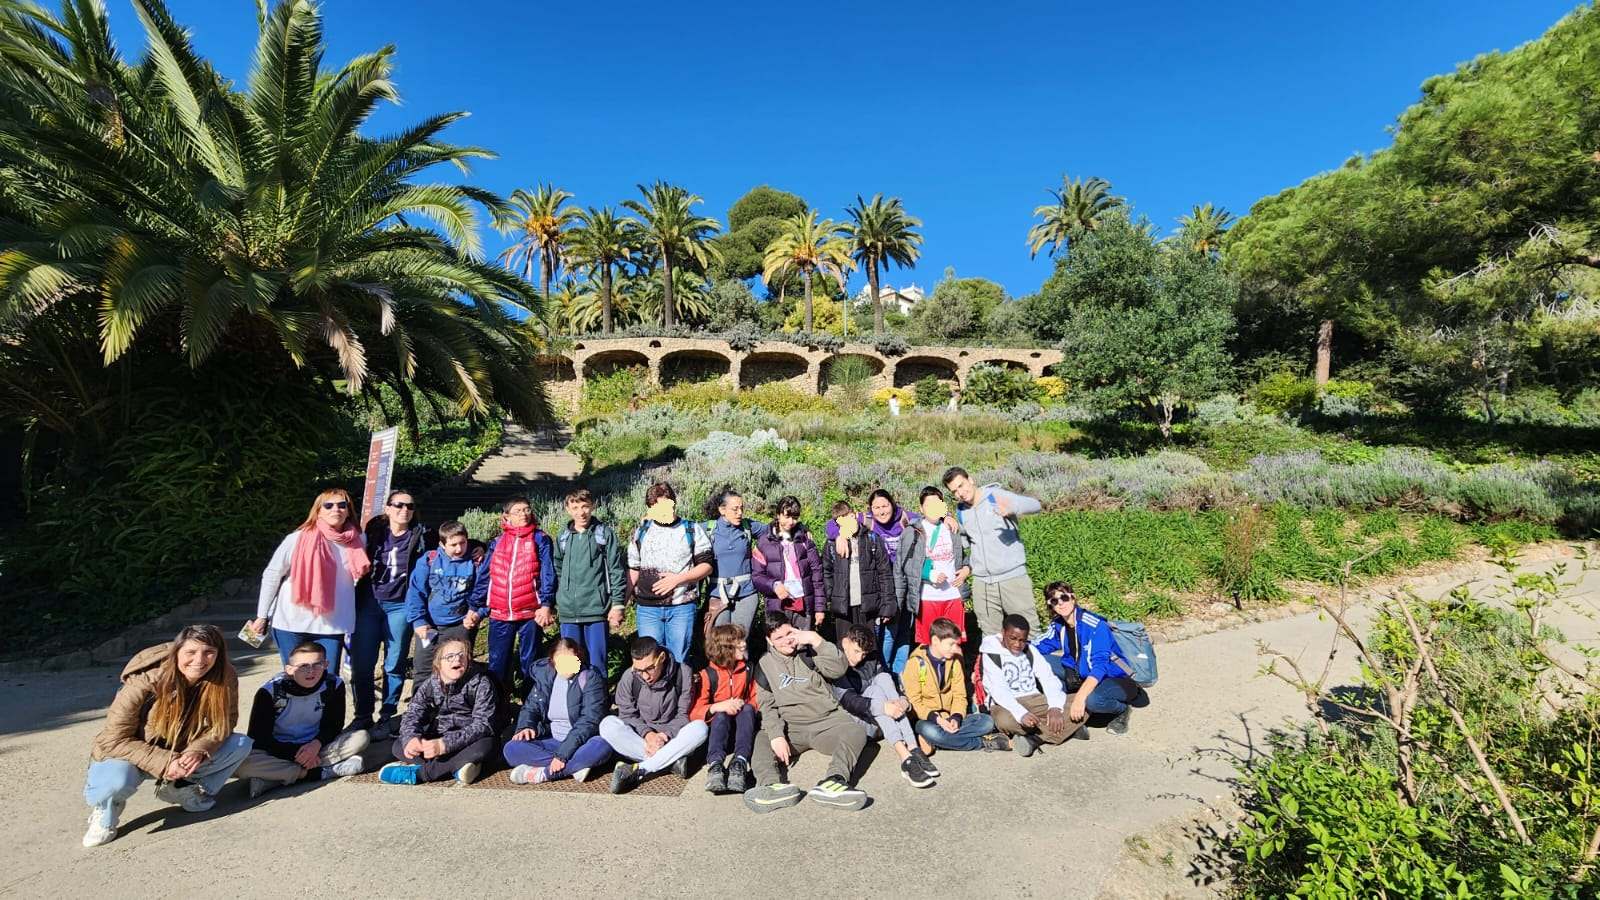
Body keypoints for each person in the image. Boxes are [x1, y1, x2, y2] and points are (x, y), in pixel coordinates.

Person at [82, 625, 253, 847]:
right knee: (116, 781)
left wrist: (197, 750)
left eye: (209, 652)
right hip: (131, 752)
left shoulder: (225, 675)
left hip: (179, 748)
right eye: (191, 652)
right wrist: (165, 761)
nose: (199, 660)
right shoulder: (145, 679)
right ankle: (106, 810)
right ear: (177, 652)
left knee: (239, 744)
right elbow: (113, 739)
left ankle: (179, 788)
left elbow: (224, 722)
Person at [742, 614, 870, 814]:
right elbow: (767, 706)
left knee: (856, 732)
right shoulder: (765, 665)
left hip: (826, 722)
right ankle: (770, 786)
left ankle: (834, 782)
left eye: (789, 633)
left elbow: (838, 669)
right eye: (779, 638)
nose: (787, 641)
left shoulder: (810, 651)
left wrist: (815, 639)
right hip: (792, 728)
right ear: (769, 641)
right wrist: (776, 735)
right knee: (762, 738)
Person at [251, 488, 371, 669]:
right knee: (295, 676)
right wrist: (262, 616)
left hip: (333, 625)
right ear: (318, 511)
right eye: (328, 505)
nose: (336, 509)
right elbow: (272, 574)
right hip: (292, 622)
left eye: (342, 505)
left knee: (327, 677)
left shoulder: (359, 539)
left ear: (348, 510)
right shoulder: (297, 538)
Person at [350, 489, 435, 738]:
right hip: (369, 603)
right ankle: (363, 715)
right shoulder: (373, 532)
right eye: (398, 505)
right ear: (387, 508)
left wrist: (477, 548)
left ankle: (387, 714)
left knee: (394, 663)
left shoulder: (422, 535)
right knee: (362, 663)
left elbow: (449, 541)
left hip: (400, 605)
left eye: (409, 506)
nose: (404, 510)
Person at [235, 642, 371, 797]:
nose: (311, 671)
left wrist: (315, 745)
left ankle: (275, 778)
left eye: (317, 665)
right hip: (277, 749)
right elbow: (259, 738)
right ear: (289, 669)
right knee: (241, 764)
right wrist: (296, 755)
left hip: (317, 746)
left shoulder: (334, 685)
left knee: (361, 738)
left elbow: (334, 725)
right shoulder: (269, 692)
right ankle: (319, 772)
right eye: (303, 666)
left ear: (326, 665)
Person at [379, 634, 502, 785]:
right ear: (439, 664)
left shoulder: (481, 682)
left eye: (462, 655)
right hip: (438, 736)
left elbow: (483, 725)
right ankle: (456, 767)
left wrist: (445, 745)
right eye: (450, 657)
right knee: (399, 745)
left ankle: (421, 773)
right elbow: (412, 713)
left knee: (486, 746)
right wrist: (411, 738)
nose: (457, 660)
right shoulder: (431, 684)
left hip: (468, 740)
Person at [825, 489, 923, 671]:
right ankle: (882, 669)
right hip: (881, 585)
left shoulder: (906, 517)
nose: (881, 511)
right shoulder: (866, 520)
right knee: (888, 632)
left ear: (892, 504)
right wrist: (839, 535)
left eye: (885, 506)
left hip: (905, 581)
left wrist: (947, 516)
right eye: (876, 507)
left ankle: (898, 673)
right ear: (870, 509)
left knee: (904, 630)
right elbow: (832, 524)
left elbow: (930, 515)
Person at [943, 466, 1042, 640]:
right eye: (954, 491)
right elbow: (967, 543)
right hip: (982, 583)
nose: (960, 493)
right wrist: (948, 521)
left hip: (1012, 577)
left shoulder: (995, 496)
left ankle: (1036, 658)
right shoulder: (961, 511)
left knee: (1028, 631)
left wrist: (1014, 507)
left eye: (961, 485)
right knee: (990, 637)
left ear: (970, 480)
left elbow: (1036, 505)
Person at [599, 636, 707, 794]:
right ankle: (670, 762)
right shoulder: (629, 676)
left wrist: (664, 735)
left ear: (661, 658)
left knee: (700, 728)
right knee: (607, 724)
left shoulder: (683, 673)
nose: (645, 676)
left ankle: (642, 769)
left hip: (671, 738)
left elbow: (683, 715)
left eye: (649, 668)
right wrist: (648, 734)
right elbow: (627, 715)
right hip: (641, 740)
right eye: (639, 670)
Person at [471, 497, 556, 691]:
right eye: (518, 511)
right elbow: (485, 576)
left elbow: (548, 573)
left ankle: (530, 704)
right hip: (500, 613)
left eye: (527, 510)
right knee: (497, 663)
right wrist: (474, 606)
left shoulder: (540, 539)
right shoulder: (497, 542)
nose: (523, 514)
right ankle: (497, 704)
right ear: (506, 516)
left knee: (531, 663)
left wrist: (546, 604)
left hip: (530, 613)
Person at [1036, 582, 1143, 735]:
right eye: (1054, 601)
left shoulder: (1095, 625)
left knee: (1092, 700)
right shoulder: (1058, 625)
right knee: (1039, 661)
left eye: (1064, 598)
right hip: (1081, 674)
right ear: (1050, 605)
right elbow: (1039, 646)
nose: (1060, 603)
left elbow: (1100, 667)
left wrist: (1080, 698)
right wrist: (1010, 648)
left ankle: (1122, 710)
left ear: (1073, 598)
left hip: (1114, 678)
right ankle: (1066, 707)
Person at [834, 625, 934, 788]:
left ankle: (913, 747)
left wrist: (903, 700)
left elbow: (889, 684)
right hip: (857, 721)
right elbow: (850, 702)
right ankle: (905, 757)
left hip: (884, 719)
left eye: (863, 654)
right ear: (846, 642)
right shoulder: (835, 661)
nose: (859, 658)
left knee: (884, 678)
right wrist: (882, 707)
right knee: (875, 691)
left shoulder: (870, 656)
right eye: (856, 651)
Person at [504, 637, 613, 785]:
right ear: (553, 661)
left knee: (602, 745)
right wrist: (526, 726)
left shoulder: (591, 678)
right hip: (552, 739)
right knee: (511, 748)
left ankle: (544, 773)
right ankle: (575, 766)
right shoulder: (545, 677)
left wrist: (563, 755)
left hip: (582, 742)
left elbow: (589, 720)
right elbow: (531, 707)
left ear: (578, 657)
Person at [626, 482, 713, 664]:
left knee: (679, 658)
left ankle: (679, 683)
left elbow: (706, 566)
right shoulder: (641, 531)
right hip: (647, 609)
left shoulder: (691, 529)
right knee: (651, 659)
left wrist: (678, 579)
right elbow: (634, 568)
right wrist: (622, 603)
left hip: (682, 607)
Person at [904, 617, 1008, 756]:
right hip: (927, 719)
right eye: (951, 644)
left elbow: (959, 695)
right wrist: (938, 719)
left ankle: (937, 742)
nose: (955, 649)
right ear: (935, 641)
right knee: (930, 731)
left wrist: (956, 717)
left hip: (949, 716)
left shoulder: (955, 661)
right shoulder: (915, 663)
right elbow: (914, 701)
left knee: (987, 722)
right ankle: (982, 742)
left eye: (956, 644)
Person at [979, 614, 1077, 756]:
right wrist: (1021, 714)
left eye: (1022, 640)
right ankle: (1066, 728)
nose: (1017, 644)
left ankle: (1035, 737)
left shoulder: (1030, 650)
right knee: (1004, 721)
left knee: (1083, 702)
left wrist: (1055, 707)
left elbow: (1048, 678)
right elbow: (998, 690)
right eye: (1013, 638)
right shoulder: (991, 653)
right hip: (1005, 704)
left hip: (1034, 699)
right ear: (1003, 633)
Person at [553, 488, 627, 674]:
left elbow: (616, 570)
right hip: (569, 612)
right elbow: (558, 570)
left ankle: (597, 693)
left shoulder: (604, 534)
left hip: (596, 610)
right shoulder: (562, 537)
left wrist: (617, 604)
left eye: (585, 506)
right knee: (569, 664)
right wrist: (561, 598)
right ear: (568, 509)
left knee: (597, 663)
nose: (581, 512)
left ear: (593, 506)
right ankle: (573, 694)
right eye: (575, 507)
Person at [405, 520, 485, 678]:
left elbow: (484, 593)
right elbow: (416, 592)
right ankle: (422, 696)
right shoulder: (429, 560)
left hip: (460, 625)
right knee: (423, 669)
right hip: (430, 626)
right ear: (442, 544)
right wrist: (418, 621)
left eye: (462, 543)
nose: (459, 549)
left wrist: (478, 613)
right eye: (453, 545)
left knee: (458, 671)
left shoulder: (476, 562)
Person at [688, 623, 759, 795]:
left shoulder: (747, 669)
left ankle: (740, 762)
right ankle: (715, 765)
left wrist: (744, 704)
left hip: (743, 727)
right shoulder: (707, 675)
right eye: (738, 641)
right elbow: (694, 713)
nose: (744, 644)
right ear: (725, 648)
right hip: (718, 730)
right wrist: (718, 706)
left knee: (748, 709)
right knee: (720, 715)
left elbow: (756, 697)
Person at [897, 486, 971, 646]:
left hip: (953, 595)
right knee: (929, 644)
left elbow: (963, 556)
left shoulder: (952, 528)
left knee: (953, 644)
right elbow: (906, 564)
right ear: (921, 508)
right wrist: (930, 575)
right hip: (927, 597)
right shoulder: (913, 532)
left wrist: (967, 568)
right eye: (928, 505)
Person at [821, 500, 897, 650]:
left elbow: (885, 573)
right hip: (844, 608)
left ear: (854, 515)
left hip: (868, 606)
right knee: (845, 648)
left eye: (849, 517)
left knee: (869, 648)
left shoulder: (872, 539)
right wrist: (832, 596)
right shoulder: (832, 545)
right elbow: (826, 572)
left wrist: (888, 605)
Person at [702, 487, 770, 652]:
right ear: (722, 510)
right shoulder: (708, 529)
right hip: (718, 594)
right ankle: (721, 669)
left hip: (746, 593)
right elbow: (683, 529)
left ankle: (742, 668)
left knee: (741, 641)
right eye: (735, 509)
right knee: (720, 642)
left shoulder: (748, 526)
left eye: (741, 508)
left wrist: (802, 528)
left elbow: (777, 528)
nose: (740, 513)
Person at [751, 496, 826, 632]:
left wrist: (820, 608)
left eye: (795, 517)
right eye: (787, 516)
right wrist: (773, 585)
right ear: (778, 515)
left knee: (803, 643)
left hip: (803, 605)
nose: (791, 522)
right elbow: (757, 576)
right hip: (778, 606)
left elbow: (817, 574)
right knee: (780, 642)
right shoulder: (763, 543)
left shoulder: (805, 540)